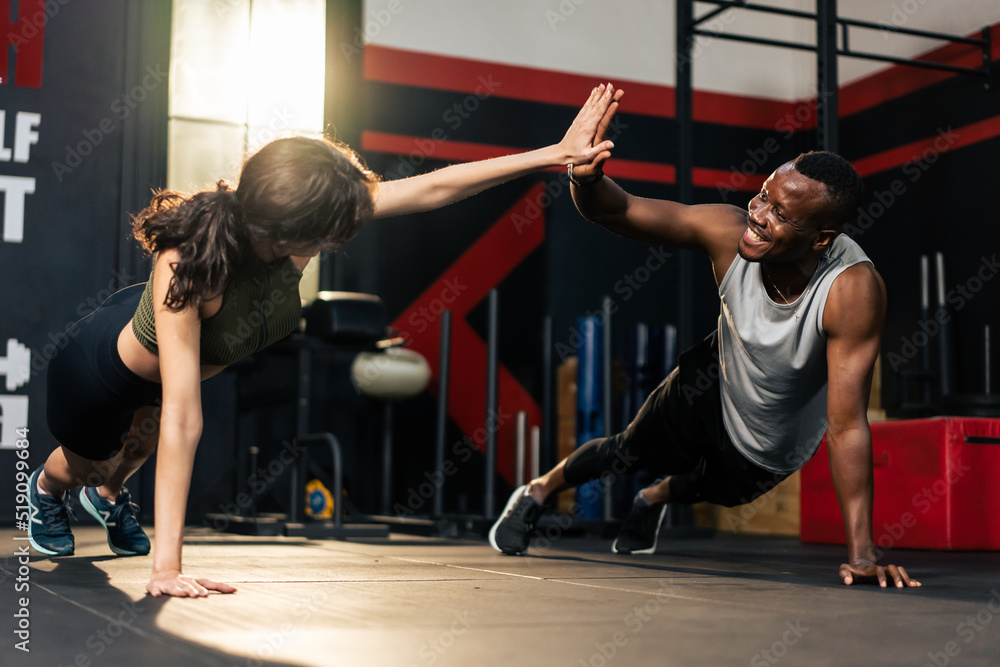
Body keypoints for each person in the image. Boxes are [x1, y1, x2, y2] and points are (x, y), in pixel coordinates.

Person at [27, 84, 621, 598]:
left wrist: (553, 155)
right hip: (101, 371)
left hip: (154, 375)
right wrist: (168, 567)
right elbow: (184, 415)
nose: (348, 230)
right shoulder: (188, 268)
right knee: (93, 459)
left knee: (138, 445)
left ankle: (110, 496)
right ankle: (52, 490)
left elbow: (434, 189)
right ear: (289, 231)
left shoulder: (293, 223)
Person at [489, 90, 921, 589]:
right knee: (629, 449)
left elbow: (847, 425)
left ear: (821, 239)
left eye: (782, 214)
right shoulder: (726, 231)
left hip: (774, 431)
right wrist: (585, 177)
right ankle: (538, 491)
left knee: (719, 492)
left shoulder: (852, 289)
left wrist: (863, 556)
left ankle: (652, 499)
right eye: (763, 195)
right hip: (710, 383)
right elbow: (617, 211)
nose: (759, 214)